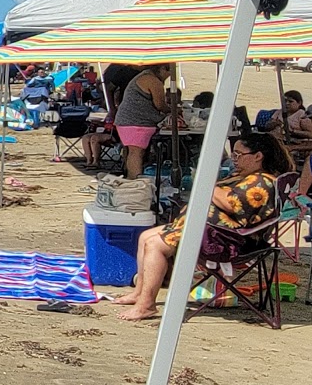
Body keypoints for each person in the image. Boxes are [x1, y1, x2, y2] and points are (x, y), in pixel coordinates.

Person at [113, 134, 291, 322]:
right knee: (146, 236)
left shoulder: (262, 181)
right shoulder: (250, 177)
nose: (234, 159)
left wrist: (205, 182)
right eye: (234, 154)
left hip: (226, 241)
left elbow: (232, 204)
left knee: (155, 245)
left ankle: (146, 305)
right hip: (215, 232)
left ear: (258, 156)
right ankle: (139, 294)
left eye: (239, 155)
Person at [114, 63, 173, 178]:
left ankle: (132, 178)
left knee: (132, 152)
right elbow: (160, 105)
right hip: (135, 122)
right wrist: (173, 110)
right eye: (168, 73)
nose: (168, 77)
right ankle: (135, 179)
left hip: (128, 121)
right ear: (162, 69)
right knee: (136, 153)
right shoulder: (152, 80)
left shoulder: (143, 77)